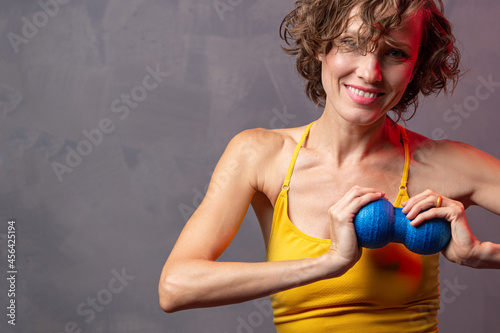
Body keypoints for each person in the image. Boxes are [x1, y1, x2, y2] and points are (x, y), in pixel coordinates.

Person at [159, 0, 500, 331]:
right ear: (320, 44)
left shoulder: (448, 164)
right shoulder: (260, 155)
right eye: (351, 42)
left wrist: (483, 254)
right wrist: (329, 262)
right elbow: (175, 287)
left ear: (417, 65)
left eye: (395, 52)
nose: (370, 73)